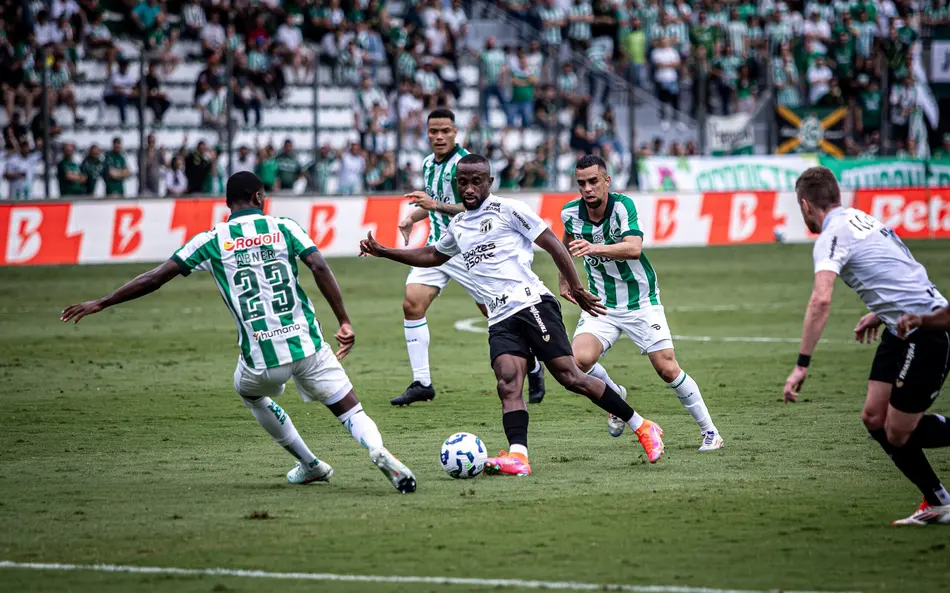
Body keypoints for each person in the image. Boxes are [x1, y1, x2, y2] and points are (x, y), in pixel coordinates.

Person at [60, 171, 417, 493]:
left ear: (227, 203)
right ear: (260, 197)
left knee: (249, 393)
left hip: (261, 358)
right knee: (350, 410)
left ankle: (310, 464)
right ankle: (375, 448)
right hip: (308, 345)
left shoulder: (212, 239)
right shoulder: (284, 227)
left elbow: (154, 278)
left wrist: (103, 302)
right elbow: (319, 266)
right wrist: (344, 320)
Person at [359, 154, 665, 475]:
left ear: (489, 182)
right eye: (463, 182)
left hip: (531, 304)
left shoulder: (509, 209)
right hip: (499, 317)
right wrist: (385, 252)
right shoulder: (459, 224)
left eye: (477, 181)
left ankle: (642, 426)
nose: (469, 188)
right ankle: (519, 456)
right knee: (507, 384)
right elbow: (434, 254)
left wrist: (575, 287)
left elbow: (553, 244)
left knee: (570, 377)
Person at [783, 167, 950, 526]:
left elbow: (821, 301)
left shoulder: (831, 234)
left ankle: (939, 500)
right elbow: (901, 268)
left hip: (927, 331)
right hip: (899, 326)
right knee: (874, 417)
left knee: (898, 431)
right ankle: (939, 501)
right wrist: (879, 311)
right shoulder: (861, 218)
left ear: (805, 204)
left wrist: (802, 364)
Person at [560, 155, 723, 451]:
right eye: (581, 183)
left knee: (666, 368)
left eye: (593, 181)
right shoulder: (570, 213)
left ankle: (710, 431)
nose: (587, 188)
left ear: (606, 181)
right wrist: (564, 280)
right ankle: (614, 394)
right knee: (578, 362)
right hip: (601, 303)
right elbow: (564, 245)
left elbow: (634, 249)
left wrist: (594, 247)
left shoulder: (623, 206)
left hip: (640, 301)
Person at [394, 109, 546, 406]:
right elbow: (434, 202)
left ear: (455, 132)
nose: (439, 137)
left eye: (445, 131)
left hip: (471, 250)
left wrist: (434, 205)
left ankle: (535, 365)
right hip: (439, 246)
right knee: (412, 304)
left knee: (497, 314)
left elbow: (474, 208)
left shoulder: (465, 165)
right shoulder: (428, 164)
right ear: (426, 133)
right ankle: (422, 382)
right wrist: (413, 216)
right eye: (433, 131)